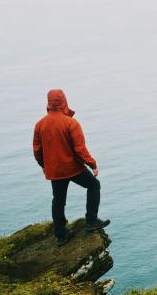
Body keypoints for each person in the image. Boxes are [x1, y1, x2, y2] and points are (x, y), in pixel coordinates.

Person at [33, 89, 110, 246]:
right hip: (73, 169)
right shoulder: (71, 123)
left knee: (58, 200)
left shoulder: (40, 125)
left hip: (55, 170)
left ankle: (61, 235)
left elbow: (37, 151)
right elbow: (80, 150)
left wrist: (44, 166)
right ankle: (91, 221)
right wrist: (92, 164)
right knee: (94, 185)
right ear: (63, 101)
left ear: (49, 102)